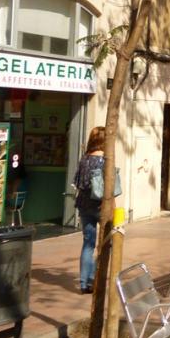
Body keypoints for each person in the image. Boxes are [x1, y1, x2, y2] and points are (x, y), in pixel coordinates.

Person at [72, 126, 105, 294]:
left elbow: (77, 182)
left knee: (88, 244)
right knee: (106, 243)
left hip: (84, 205)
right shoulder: (106, 160)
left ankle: (84, 283)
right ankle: (97, 280)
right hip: (100, 206)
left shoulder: (84, 159)